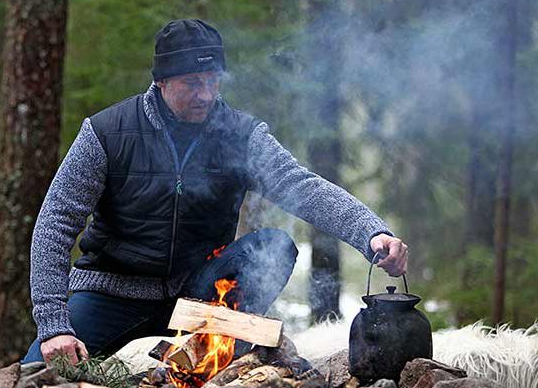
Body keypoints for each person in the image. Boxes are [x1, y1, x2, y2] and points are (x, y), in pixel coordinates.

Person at [23, 19, 408, 365]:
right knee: (38, 371)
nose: (206, 95)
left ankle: (217, 351)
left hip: (200, 294)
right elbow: (55, 224)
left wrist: (371, 232)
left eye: (213, 81)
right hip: (112, 294)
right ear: (161, 80)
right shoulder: (106, 133)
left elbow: (300, 186)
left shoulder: (240, 134)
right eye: (192, 83)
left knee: (274, 244)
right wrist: (54, 325)